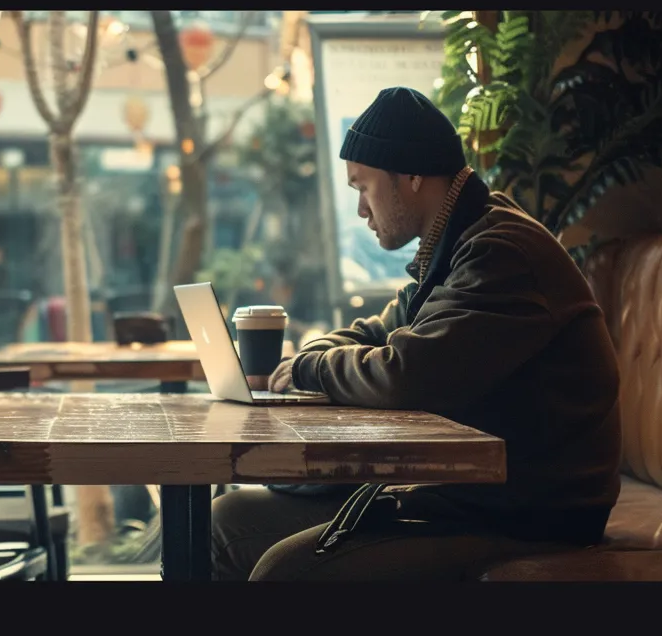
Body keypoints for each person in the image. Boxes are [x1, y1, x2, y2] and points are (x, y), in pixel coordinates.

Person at [210, 87, 622, 581]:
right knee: (224, 522)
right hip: (455, 498)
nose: (362, 210)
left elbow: (404, 375)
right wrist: (319, 353)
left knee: (286, 572)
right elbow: (374, 333)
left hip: (528, 515)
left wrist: (306, 365)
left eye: (363, 187)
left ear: (410, 176)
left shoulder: (500, 253)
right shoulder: (452, 248)